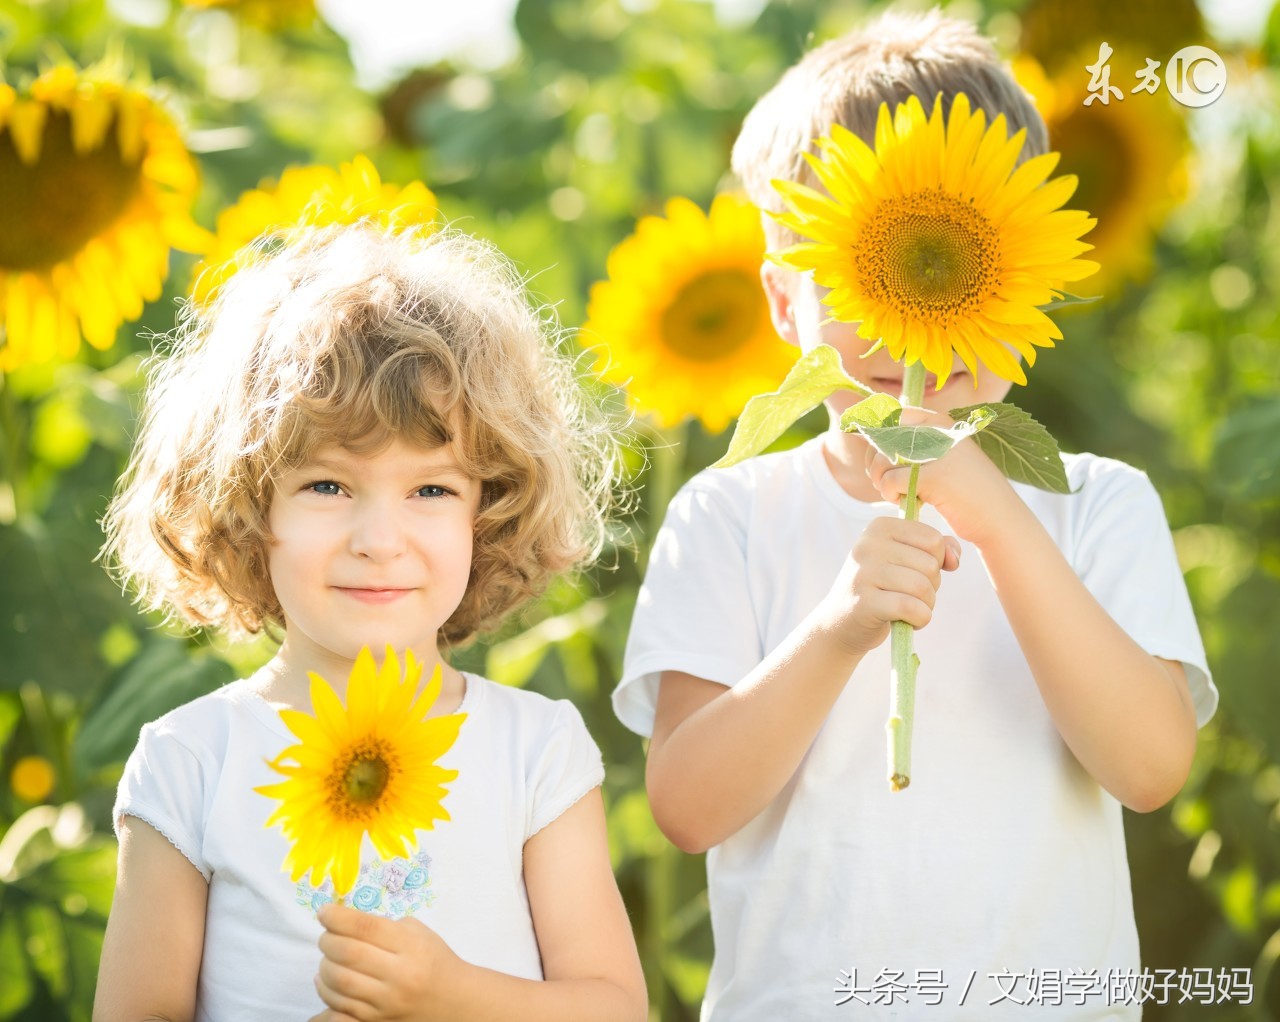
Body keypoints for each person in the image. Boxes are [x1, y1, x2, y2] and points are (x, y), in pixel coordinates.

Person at [611, 10, 1217, 1020]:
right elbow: (685, 804)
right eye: (863, 271)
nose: (910, 310)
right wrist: (836, 627)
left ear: (1024, 272)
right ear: (780, 302)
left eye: (949, 260)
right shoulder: (730, 513)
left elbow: (1149, 766)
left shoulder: (1094, 502)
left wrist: (1002, 522)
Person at [95, 222, 646, 1022]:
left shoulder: (535, 751)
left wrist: (448, 996)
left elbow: (617, 1009)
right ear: (248, 508)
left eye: (431, 491)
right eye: (328, 486)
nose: (379, 542)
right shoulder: (192, 762)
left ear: (487, 516)